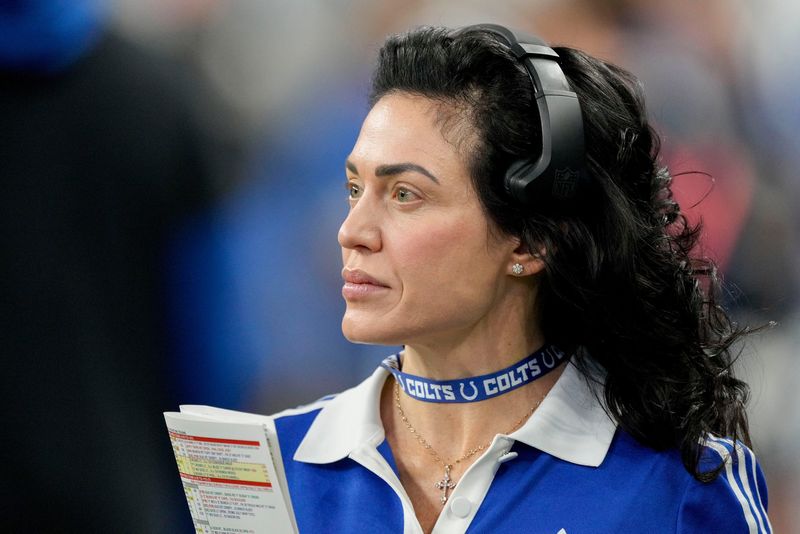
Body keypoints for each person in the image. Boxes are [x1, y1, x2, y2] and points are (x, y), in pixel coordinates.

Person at [270, 24, 771, 533]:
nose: (350, 232)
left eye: (404, 194)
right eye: (355, 189)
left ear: (531, 241)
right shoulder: (269, 467)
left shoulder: (678, 490)